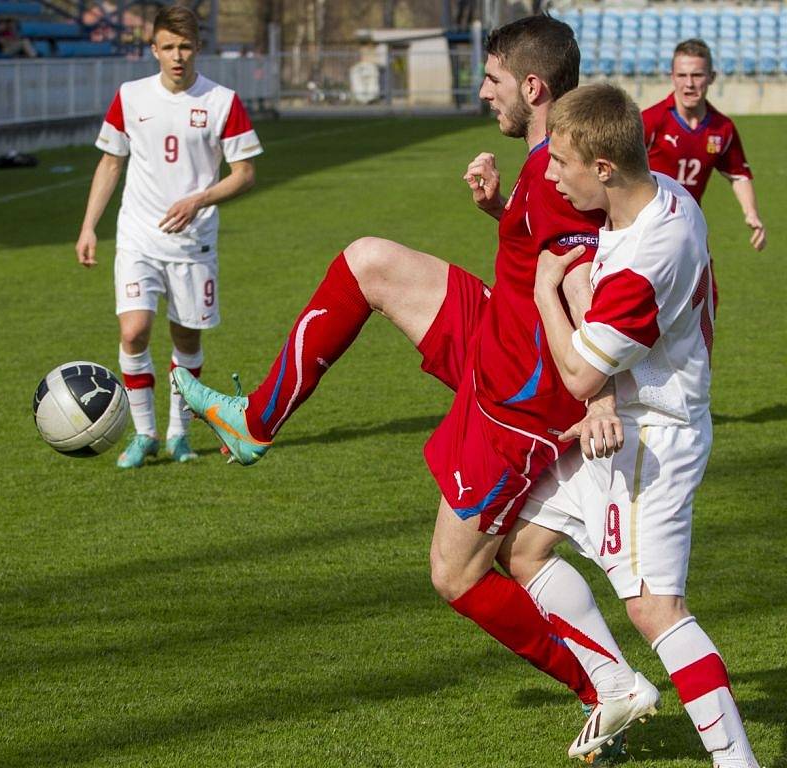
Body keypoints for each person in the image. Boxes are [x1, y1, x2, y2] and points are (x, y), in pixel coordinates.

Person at [173, 16, 658, 760]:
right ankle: (256, 420)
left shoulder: (561, 175)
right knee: (367, 259)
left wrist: (596, 395)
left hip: (521, 397)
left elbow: (590, 282)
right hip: (503, 331)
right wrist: (501, 214)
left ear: (532, 88)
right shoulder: (541, 166)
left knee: (458, 573)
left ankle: (605, 689)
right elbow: (555, 249)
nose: (482, 91)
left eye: (492, 79)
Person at [505, 81, 759, 768]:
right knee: (521, 548)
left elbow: (582, 374)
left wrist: (543, 292)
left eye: (561, 163)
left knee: (657, 610)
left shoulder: (649, 259)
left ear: (605, 169)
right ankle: (616, 686)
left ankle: (738, 763)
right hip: (623, 424)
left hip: (652, 440)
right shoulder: (664, 197)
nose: (551, 174)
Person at [75, 5, 261, 468]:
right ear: (153, 49)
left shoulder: (222, 100)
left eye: (184, 47)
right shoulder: (130, 95)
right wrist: (88, 226)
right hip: (137, 235)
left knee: (186, 339)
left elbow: (245, 174)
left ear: (197, 47)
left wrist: (198, 199)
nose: (177, 56)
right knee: (134, 331)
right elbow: (111, 162)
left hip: (193, 242)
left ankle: (179, 433)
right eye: (168, 47)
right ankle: (144, 434)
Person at [642, 39, 766, 307]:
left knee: (705, 303)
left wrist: (751, 213)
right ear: (671, 77)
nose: (689, 84)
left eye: (697, 75)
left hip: (691, 231)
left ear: (712, 77)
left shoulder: (722, 128)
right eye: (682, 75)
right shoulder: (651, 121)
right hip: (648, 232)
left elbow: (738, 174)